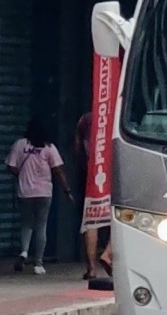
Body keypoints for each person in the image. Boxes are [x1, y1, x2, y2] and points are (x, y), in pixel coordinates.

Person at [5, 117, 73, 274]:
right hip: (43, 192)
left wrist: (22, 176)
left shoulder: (20, 144)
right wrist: (67, 190)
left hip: (25, 192)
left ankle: (23, 251)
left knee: (26, 224)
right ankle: (38, 263)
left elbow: (11, 167)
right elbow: (58, 171)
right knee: (41, 226)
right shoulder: (49, 148)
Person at [74, 111, 112, 279]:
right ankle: (108, 252)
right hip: (111, 172)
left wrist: (84, 167)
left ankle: (91, 269)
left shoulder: (84, 119)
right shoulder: (114, 116)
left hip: (90, 174)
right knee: (121, 216)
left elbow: (77, 148)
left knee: (91, 219)